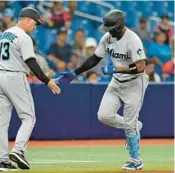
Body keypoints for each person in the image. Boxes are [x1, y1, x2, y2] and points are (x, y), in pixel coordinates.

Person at [58, 9, 149, 170]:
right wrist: (75, 72)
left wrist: (117, 69)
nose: (107, 31)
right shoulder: (107, 38)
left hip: (135, 83)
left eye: (110, 28)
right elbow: (95, 58)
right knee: (104, 115)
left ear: (119, 26)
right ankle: (134, 126)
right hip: (117, 82)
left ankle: (136, 160)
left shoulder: (132, 39)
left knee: (129, 124)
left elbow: (141, 66)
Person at [0, 7, 61, 171]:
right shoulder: (23, 37)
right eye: (35, 23)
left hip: (0, 76)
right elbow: (31, 63)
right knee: (29, 117)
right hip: (15, 76)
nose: (35, 27)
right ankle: (18, 150)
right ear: (27, 19)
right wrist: (47, 81)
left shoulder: (5, 33)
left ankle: (3, 160)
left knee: (2, 122)